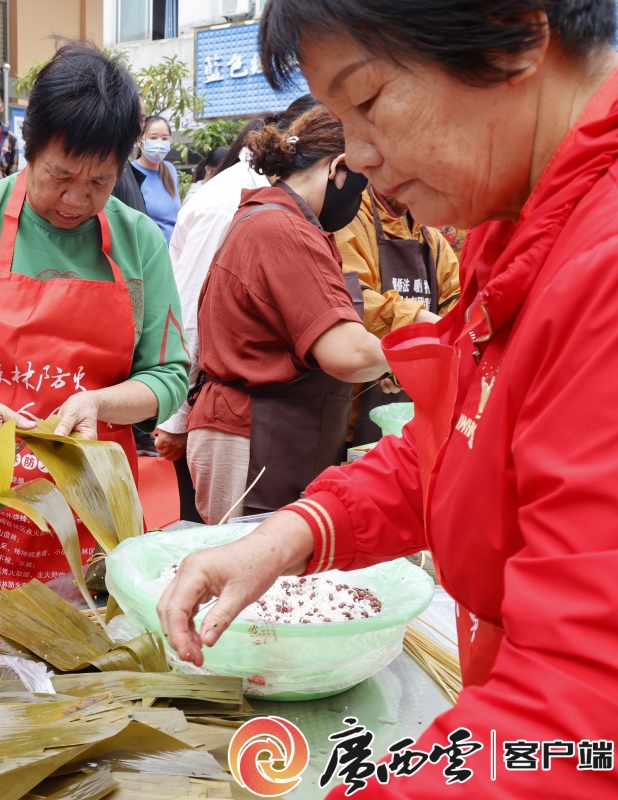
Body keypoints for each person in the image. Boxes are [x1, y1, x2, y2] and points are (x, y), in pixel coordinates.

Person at [160, 2, 618, 796]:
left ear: (517, 29)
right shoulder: (513, 226)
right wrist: (288, 539)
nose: (361, 156)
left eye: (368, 101)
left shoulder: (600, 265)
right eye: (339, 120)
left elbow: (580, 724)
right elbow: (460, 439)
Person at [0, 42, 189, 616]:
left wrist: (100, 403)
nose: (76, 199)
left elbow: (169, 375)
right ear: (30, 148)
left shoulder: (140, 242)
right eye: (60, 176)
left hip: (88, 513)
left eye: (99, 182)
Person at [185, 104, 392, 522]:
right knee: (248, 567)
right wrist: (412, 354)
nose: (361, 200)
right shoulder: (283, 229)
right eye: (363, 185)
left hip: (273, 430)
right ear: (338, 169)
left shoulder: (290, 222)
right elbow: (346, 353)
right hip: (252, 432)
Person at [160, 100, 316, 524]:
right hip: (220, 410)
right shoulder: (227, 203)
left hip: (261, 415)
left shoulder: (273, 199)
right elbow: (190, 308)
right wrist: (177, 418)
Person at [337, 186, 461, 444]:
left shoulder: (431, 238)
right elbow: (356, 301)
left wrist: (416, 364)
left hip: (417, 403)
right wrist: (422, 324)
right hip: (354, 402)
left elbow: (456, 309)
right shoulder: (352, 218)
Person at [131, 115, 182, 242]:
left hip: (173, 254)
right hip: (148, 252)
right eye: (153, 138)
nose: (159, 143)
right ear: (139, 140)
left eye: (165, 138)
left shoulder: (170, 170)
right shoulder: (130, 173)